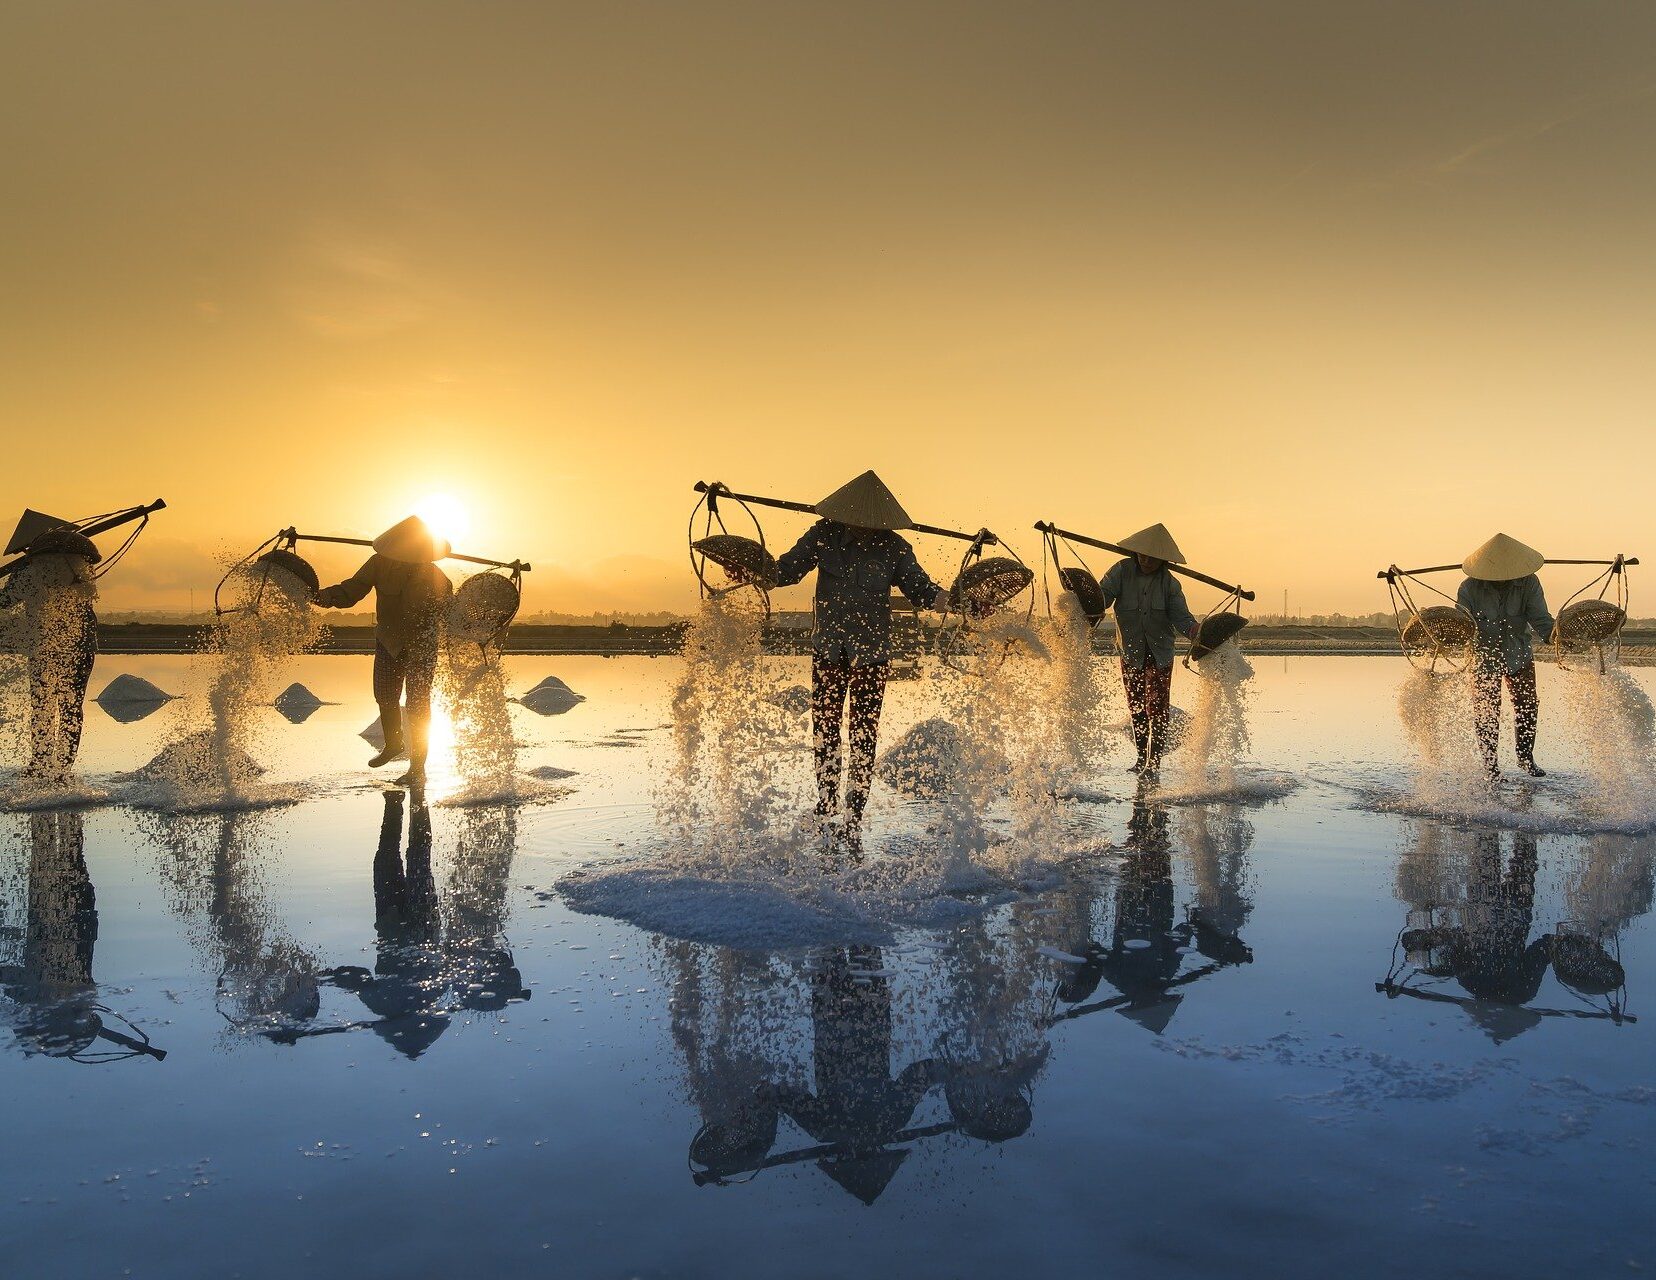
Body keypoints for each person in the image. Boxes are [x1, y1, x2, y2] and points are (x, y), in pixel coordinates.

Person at [772, 471, 951, 855]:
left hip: (872, 656)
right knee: (825, 732)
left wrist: (954, 600)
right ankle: (825, 806)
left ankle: (853, 816)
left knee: (864, 736)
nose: (862, 527)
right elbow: (785, 571)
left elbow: (920, 590)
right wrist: (752, 571)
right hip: (828, 652)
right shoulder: (823, 535)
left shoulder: (895, 549)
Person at [314, 516, 453, 787]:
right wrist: (319, 596)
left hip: (422, 646)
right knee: (385, 695)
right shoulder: (378, 564)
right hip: (388, 640)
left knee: (418, 705)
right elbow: (349, 592)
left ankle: (417, 768)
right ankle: (393, 744)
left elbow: (450, 610)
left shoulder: (434, 574)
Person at [0, 514, 101, 784]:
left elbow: (4, 601)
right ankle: (53, 766)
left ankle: (50, 766)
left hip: (58, 646)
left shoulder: (34, 569)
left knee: (49, 704)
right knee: (66, 705)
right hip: (60, 646)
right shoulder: (72, 565)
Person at [1097, 524, 1198, 774]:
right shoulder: (1121, 571)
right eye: (1142, 555)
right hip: (1131, 652)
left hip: (1160, 653)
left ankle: (1154, 763)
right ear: (1136, 553)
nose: (1145, 560)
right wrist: (1083, 600)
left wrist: (1198, 633)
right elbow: (1102, 598)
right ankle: (1141, 759)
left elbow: (1182, 619)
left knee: (1158, 709)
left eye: (1152, 557)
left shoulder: (1170, 584)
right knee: (1137, 707)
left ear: (1162, 560)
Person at [1456, 533, 1554, 779]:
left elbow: (1541, 619)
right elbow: (1461, 624)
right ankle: (1490, 766)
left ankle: (1525, 757)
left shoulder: (1528, 583)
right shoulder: (1469, 587)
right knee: (1486, 711)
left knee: (1527, 706)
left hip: (1518, 653)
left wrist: (1556, 637)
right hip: (1482, 657)